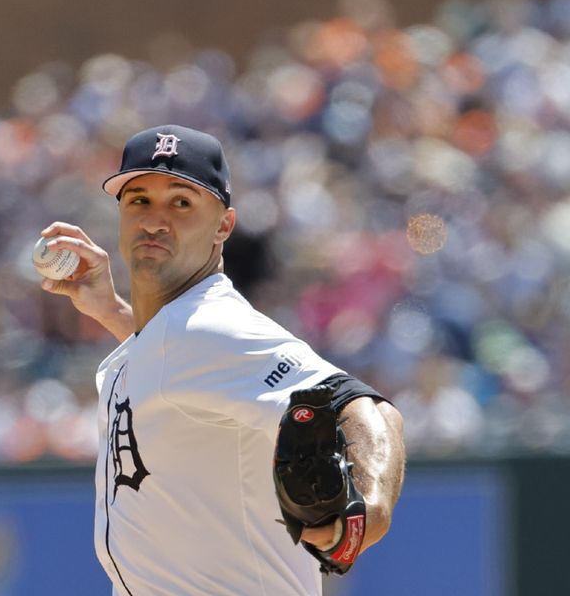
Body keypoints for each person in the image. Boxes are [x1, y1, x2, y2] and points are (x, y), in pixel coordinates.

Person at [40, 125, 405, 595]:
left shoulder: (211, 325)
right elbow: (175, 358)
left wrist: (370, 504)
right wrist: (111, 310)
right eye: (139, 201)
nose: (155, 220)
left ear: (224, 225)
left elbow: (366, 407)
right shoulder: (176, 338)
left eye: (181, 202)